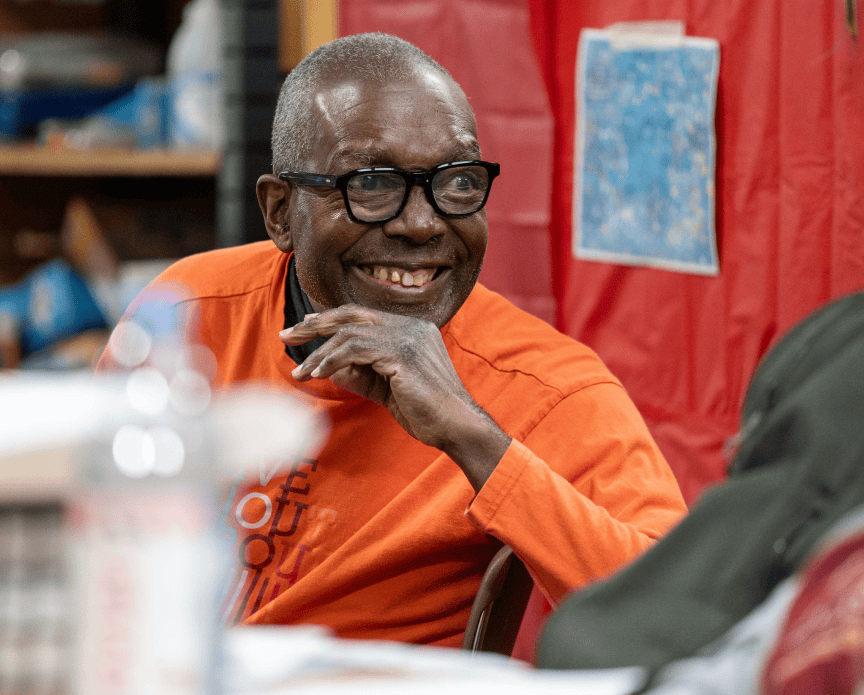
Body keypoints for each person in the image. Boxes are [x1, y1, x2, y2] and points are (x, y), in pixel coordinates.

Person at [101, 32, 686, 648]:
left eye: (457, 182)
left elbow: (681, 623)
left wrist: (474, 440)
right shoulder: (190, 314)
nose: (422, 222)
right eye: (371, 186)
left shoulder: (546, 388)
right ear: (280, 212)